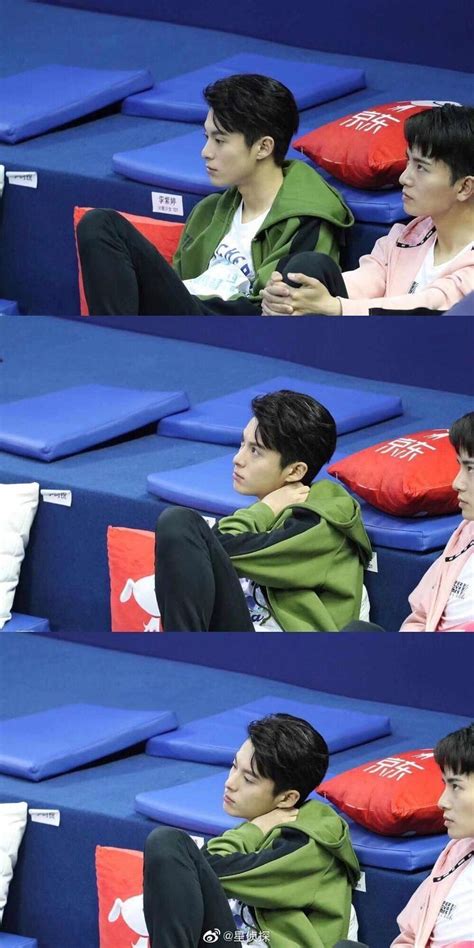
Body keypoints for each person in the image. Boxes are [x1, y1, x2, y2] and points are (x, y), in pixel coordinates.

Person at [77, 73, 353, 316]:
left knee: (105, 224)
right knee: (98, 224)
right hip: (185, 310)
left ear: (263, 147)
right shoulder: (208, 211)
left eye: (219, 140)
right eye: (206, 137)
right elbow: (177, 282)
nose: (206, 152)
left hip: (234, 324)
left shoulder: (307, 217)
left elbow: (277, 305)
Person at [154, 389, 372, 631]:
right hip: (238, 636)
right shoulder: (274, 508)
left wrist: (265, 508)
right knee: (179, 524)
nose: (238, 459)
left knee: (179, 523)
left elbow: (217, 548)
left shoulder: (325, 519)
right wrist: (267, 508)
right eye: (242, 443)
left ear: (295, 471)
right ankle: (184, 649)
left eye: (255, 451)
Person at [143, 712, 361, 948]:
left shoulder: (311, 843)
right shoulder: (267, 825)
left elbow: (203, 870)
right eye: (234, 766)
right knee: (167, 846)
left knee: (168, 843)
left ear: (287, 798)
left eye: (248, 779)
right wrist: (256, 828)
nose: (230, 783)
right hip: (233, 939)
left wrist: (253, 829)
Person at [261, 104, 474, 316]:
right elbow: (366, 279)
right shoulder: (408, 235)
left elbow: (428, 306)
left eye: (421, 167)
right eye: (408, 161)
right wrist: (298, 295)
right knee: (307, 269)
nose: (404, 178)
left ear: (464, 187)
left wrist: (337, 307)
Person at [392, 722, 474, 946]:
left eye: (456, 786)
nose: (442, 802)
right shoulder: (456, 852)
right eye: (445, 785)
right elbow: (409, 937)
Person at [400, 411, 474, 631]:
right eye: (460, 466)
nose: (457, 483)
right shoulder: (466, 534)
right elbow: (420, 617)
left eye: (470, 468)